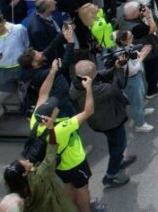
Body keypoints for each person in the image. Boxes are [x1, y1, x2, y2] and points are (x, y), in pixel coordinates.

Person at [29, 60, 95, 211]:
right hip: (74, 162)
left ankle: (70, 207)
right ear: (50, 117)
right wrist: (89, 89)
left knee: (68, 184)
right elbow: (88, 111)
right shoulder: (61, 128)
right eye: (53, 108)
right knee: (82, 188)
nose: (56, 106)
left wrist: (52, 71)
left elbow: (43, 93)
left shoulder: (35, 119)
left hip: (57, 164)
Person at [66, 59, 135, 189]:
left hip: (100, 120)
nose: (98, 71)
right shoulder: (96, 90)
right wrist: (119, 70)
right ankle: (111, 175)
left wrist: (114, 67)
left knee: (114, 143)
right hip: (110, 121)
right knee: (119, 145)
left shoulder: (77, 83)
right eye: (95, 71)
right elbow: (116, 86)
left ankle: (118, 161)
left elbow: (100, 74)